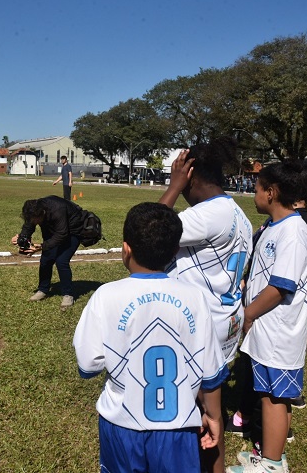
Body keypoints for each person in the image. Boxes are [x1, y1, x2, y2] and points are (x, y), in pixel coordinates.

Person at [73, 202, 228, 473]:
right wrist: (214, 416)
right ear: (175, 251)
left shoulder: (105, 296)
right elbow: (210, 372)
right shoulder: (196, 298)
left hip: (121, 427)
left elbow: (88, 365)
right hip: (179, 428)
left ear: (126, 249)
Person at [158, 137, 253, 473]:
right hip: (224, 320)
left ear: (191, 175)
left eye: (180, 175)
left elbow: (149, 231)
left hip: (201, 327)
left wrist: (173, 186)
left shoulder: (207, 215)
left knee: (197, 415)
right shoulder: (237, 213)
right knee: (211, 410)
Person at [225, 161, 307, 473]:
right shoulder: (274, 226)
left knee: (275, 398)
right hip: (267, 328)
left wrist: (248, 314)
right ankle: (273, 455)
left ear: (271, 193)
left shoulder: (293, 231)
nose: (254, 194)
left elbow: (280, 287)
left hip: (278, 330)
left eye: (257, 189)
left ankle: (272, 465)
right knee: (269, 393)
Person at [12, 195, 83, 308]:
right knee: (46, 259)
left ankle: (68, 294)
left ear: (42, 214)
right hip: (54, 229)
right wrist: (22, 239)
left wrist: (42, 246)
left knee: (61, 261)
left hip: (73, 230)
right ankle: (43, 289)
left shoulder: (58, 210)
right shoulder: (33, 210)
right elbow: (28, 226)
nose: (34, 222)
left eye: (36, 220)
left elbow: (62, 234)